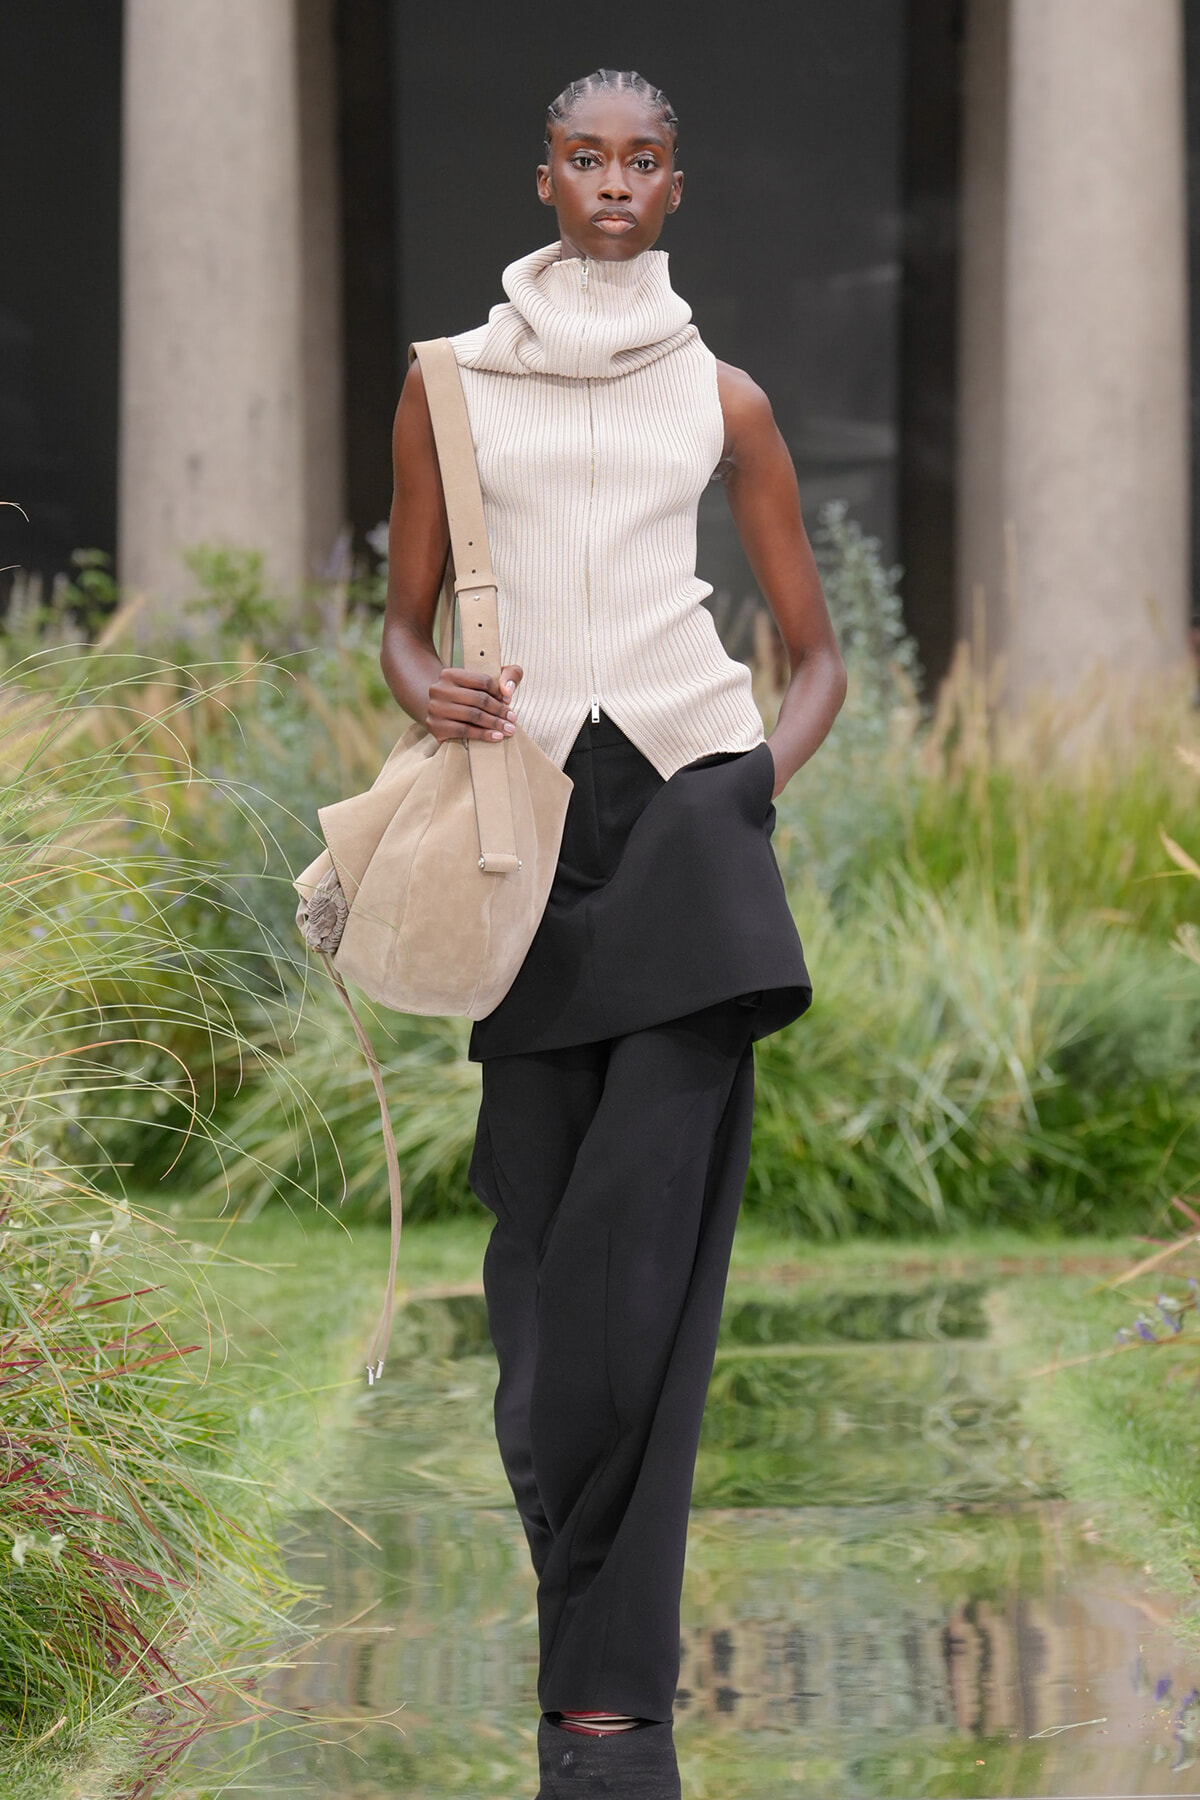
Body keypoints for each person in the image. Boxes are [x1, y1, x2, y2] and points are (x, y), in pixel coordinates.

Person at [380, 66, 846, 1762]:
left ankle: (605, 1677)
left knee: (650, 1257)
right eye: (586, 157)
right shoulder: (447, 387)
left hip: (692, 829)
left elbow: (821, 650)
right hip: (532, 844)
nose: (614, 184)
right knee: (539, 1246)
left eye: (643, 161)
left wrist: (752, 784)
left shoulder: (725, 400)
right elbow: (404, 624)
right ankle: (578, 1600)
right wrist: (429, 693)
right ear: (543, 178)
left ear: (674, 189)